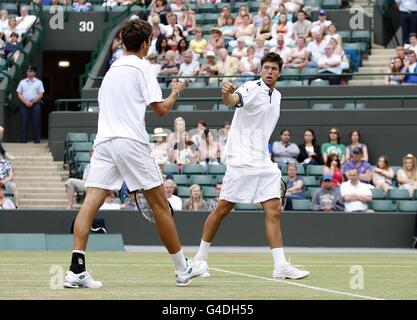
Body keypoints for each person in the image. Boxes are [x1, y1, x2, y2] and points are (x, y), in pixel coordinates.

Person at [63, 19, 207, 289]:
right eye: (150, 41)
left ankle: (76, 269)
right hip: (131, 142)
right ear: (144, 44)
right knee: (160, 206)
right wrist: (175, 91)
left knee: (90, 205)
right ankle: (182, 269)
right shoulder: (143, 67)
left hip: (105, 143)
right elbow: (161, 110)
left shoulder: (110, 72)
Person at [192, 52, 310, 280]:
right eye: (266, 67)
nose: (269, 72)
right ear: (260, 70)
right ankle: (200, 259)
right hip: (242, 158)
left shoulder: (277, 96)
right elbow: (233, 101)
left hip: (263, 160)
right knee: (224, 208)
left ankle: (280, 265)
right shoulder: (251, 88)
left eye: (274, 69)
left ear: (280, 72)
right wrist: (226, 94)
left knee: (274, 210)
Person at [16, 65, 45, 144]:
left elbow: (41, 94)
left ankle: (37, 140)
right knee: (24, 122)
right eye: (28, 70)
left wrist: (33, 102)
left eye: (30, 71)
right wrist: (25, 102)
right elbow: (19, 93)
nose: (28, 72)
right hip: (24, 104)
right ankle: (23, 140)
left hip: (35, 105)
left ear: (34, 73)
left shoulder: (39, 82)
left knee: (36, 123)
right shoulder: (22, 82)